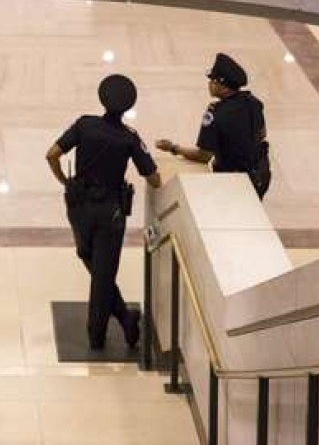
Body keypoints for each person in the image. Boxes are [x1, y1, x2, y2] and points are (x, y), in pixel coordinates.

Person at [46, 74, 161, 350]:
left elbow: (51, 154)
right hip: (111, 212)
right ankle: (104, 330)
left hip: (79, 206)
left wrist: (65, 181)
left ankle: (121, 317)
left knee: (87, 257)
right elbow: (154, 177)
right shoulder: (129, 138)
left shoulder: (85, 125)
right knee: (103, 273)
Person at [154, 53, 271, 199]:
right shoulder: (253, 101)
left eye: (213, 81)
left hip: (235, 182)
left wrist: (173, 148)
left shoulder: (216, 114)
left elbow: (204, 156)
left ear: (224, 87)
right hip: (261, 174)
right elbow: (262, 133)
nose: (210, 84)